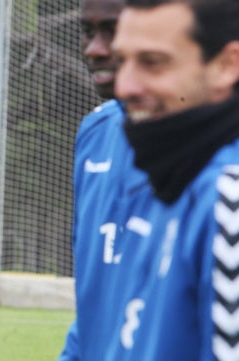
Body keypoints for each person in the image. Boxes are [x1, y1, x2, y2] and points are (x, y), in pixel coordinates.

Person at [63, 0, 239, 359]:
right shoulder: (170, 167)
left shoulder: (226, 194)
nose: (126, 86)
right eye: (123, 59)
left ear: (226, 66)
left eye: (153, 63)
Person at [57, 0, 133, 359]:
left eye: (113, 31)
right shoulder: (95, 130)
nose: (94, 50)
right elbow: (96, 296)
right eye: (88, 32)